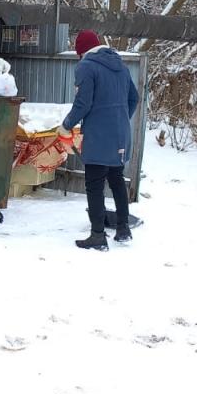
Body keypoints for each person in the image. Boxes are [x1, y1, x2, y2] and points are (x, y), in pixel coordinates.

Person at [60, 30, 139, 251]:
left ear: (81, 51)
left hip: (98, 134)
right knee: (116, 178)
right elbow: (134, 98)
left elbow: (83, 103)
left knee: (94, 184)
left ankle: (97, 235)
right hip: (121, 133)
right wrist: (120, 117)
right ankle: (123, 229)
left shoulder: (86, 66)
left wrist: (66, 125)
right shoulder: (121, 66)